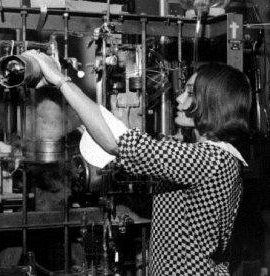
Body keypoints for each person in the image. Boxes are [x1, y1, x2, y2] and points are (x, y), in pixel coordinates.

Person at [22, 50, 252, 275]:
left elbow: (117, 142)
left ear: (213, 103)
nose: (179, 99)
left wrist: (61, 81)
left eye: (190, 93)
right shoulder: (219, 157)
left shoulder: (209, 159)